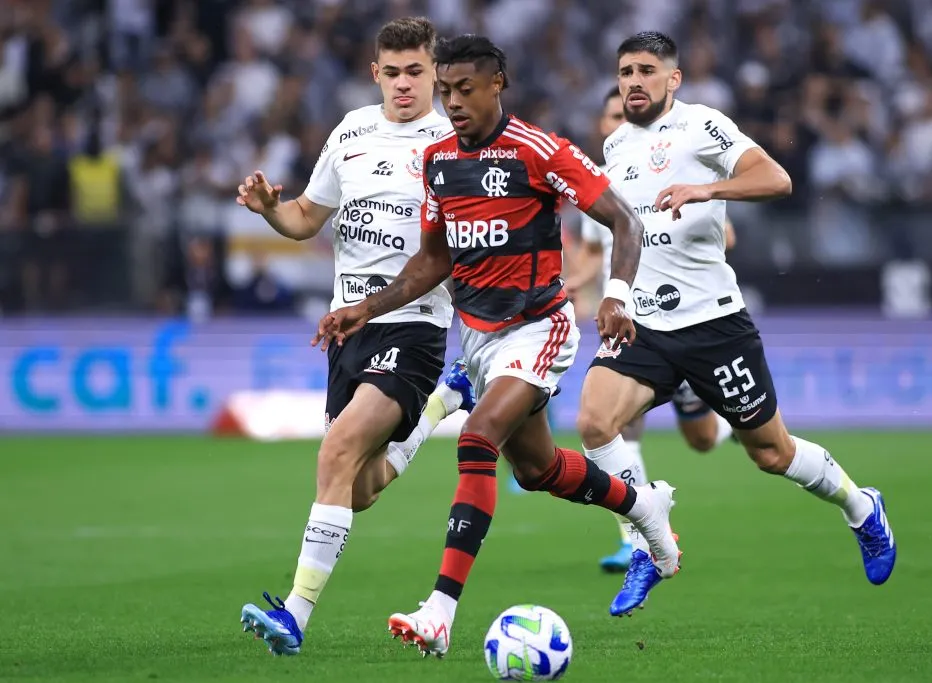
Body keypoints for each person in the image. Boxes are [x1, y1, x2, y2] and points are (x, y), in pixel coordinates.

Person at [314, 34, 681, 659]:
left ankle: (439, 611)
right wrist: (366, 308)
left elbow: (624, 219)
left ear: (496, 85)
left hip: (541, 327)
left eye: (464, 89)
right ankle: (645, 507)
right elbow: (432, 261)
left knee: (475, 438)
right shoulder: (438, 161)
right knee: (537, 470)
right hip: (479, 339)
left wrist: (617, 294)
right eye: (447, 90)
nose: (452, 102)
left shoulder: (538, 150)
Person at [574, 32, 897, 617]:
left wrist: (708, 188)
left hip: (715, 325)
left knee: (771, 454)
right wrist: (614, 294)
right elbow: (624, 234)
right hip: (645, 324)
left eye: (647, 71)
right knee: (595, 422)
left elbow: (777, 180)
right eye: (625, 72)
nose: (634, 82)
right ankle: (653, 540)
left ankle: (861, 506)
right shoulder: (615, 145)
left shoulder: (703, 126)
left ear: (673, 79)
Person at [234, 18, 475, 656]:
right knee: (358, 487)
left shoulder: (454, 143)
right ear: (376, 73)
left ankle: (294, 615)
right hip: (348, 327)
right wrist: (268, 211)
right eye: (391, 72)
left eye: (415, 72)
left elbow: (461, 248)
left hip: (414, 325)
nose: (403, 84)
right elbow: (307, 217)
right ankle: (441, 407)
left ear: (434, 72)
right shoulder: (351, 131)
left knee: (336, 452)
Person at [567, 87, 740, 573]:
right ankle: (637, 536)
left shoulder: (668, 169)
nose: (617, 122)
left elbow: (724, 234)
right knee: (612, 426)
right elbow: (595, 257)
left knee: (701, 438)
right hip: (628, 323)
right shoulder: (598, 184)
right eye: (610, 115)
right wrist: (566, 286)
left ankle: (736, 428)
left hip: (682, 320)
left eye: (624, 113)